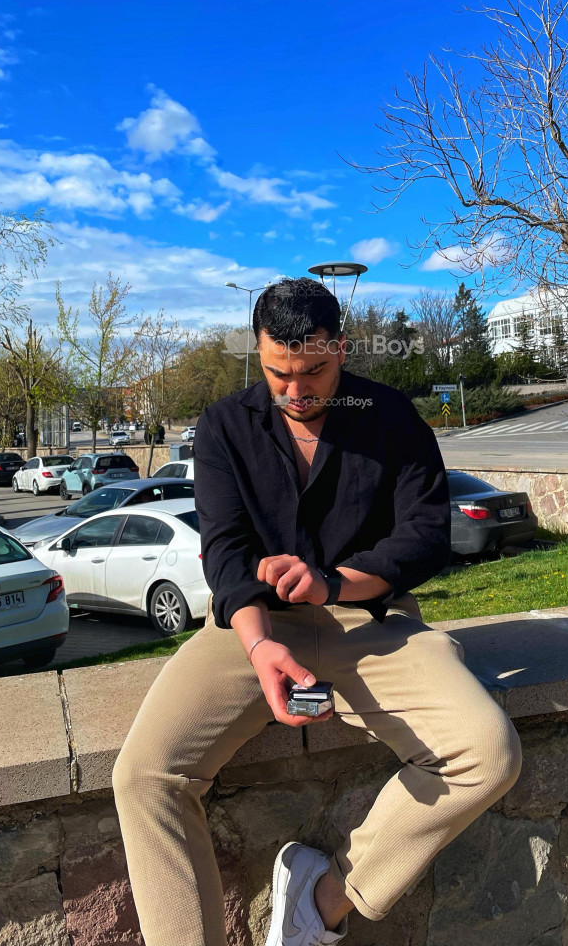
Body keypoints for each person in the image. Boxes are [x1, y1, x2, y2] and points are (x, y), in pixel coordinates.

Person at [112, 278, 522, 946]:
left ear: (342, 349)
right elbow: (225, 550)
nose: (295, 390)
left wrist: (331, 584)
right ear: (257, 352)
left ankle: (321, 898)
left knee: (488, 752)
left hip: (371, 622)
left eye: (313, 372)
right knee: (143, 777)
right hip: (256, 626)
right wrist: (258, 645)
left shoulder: (391, 417)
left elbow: (424, 539)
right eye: (278, 373)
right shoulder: (223, 426)